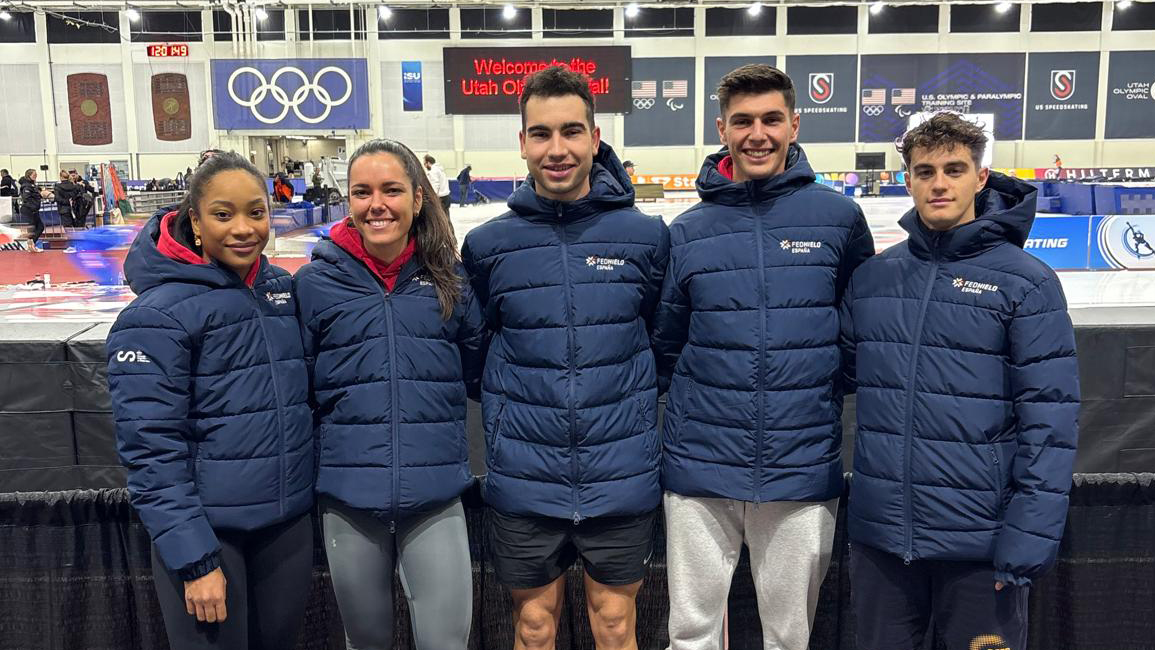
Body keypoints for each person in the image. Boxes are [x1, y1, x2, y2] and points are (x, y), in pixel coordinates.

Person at [650, 63, 875, 650]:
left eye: (772, 119)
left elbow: (856, 333)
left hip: (799, 464)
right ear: (722, 128)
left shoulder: (838, 219)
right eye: (743, 121)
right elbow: (667, 342)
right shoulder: (689, 230)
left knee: (789, 636)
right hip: (701, 463)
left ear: (794, 124)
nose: (758, 134)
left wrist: (814, 391)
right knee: (692, 631)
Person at [840, 112, 1080, 650]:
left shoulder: (1026, 282)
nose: (939, 183)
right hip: (883, 543)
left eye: (954, 169)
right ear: (908, 180)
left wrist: (1027, 538)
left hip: (981, 546)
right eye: (925, 171)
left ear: (981, 177)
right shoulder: (875, 278)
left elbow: (1051, 422)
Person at [461, 65, 669, 650]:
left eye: (572, 132)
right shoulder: (487, 246)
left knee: (614, 623)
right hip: (525, 475)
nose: (558, 149)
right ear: (522, 143)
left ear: (595, 139)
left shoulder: (646, 236)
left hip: (618, 472)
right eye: (542, 133)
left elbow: (662, 341)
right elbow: (476, 354)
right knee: (532, 627)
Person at [106, 151, 315, 650]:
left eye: (256, 212)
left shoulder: (281, 291)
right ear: (195, 223)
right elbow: (151, 452)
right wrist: (196, 560)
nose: (243, 228)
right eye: (224, 214)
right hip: (211, 538)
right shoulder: (155, 316)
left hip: (285, 531)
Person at [295, 139, 487, 650]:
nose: (376, 204)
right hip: (349, 499)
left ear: (418, 198)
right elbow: (305, 385)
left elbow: (473, 370)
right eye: (362, 191)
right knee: (367, 642)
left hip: (434, 496)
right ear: (348, 199)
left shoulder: (450, 281)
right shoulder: (314, 284)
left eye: (391, 190)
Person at [18, 169, 50, 252]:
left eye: (36, 174)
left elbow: (35, 195)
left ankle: (31, 245)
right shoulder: (27, 186)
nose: (36, 175)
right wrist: (33, 207)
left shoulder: (33, 185)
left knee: (38, 228)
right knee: (38, 228)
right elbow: (26, 198)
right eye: (34, 174)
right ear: (29, 175)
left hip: (34, 210)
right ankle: (31, 245)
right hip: (30, 210)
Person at [423, 154, 453, 218]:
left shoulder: (433, 171)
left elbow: (435, 184)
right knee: (446, 218)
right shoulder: (440, 169)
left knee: (439, 220)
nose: (424, 166)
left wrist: (432, 197)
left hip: (440, 198)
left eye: (424, 164)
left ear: (428, 163)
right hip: (446, 196)